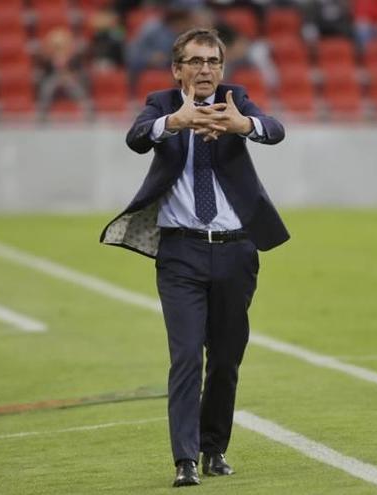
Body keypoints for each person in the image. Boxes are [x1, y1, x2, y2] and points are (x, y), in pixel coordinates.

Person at [100, 27, 288, 487]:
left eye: (213, 62)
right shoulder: (162, 103)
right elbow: (137, 137)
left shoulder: (235, 98)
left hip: (235, 250)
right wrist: (176, 123)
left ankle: (213, 448)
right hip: (180, 251)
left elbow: (275, 130)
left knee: (225, 358)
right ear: (177, 69)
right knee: (186, 355)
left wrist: (241, 124)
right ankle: (184, 458)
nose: (206, 70)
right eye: (196, 61)